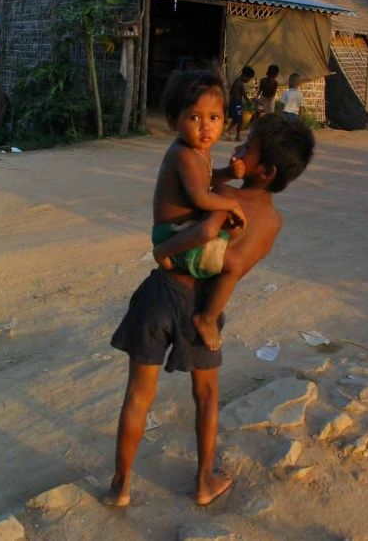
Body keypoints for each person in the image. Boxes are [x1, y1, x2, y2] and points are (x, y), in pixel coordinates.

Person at [102, 114, 315, 508]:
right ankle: (204, 481)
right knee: (207, 395)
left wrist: (165, 251)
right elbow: (236, 266)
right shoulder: (270, 221)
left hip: (162, 290)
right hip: (202, 307)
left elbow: (198, 225)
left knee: (137, 395)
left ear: (265, 171)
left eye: (246, 147)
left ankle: (120, 486)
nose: (237, 148)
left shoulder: (226, 197)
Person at [152, 69, 247, 351]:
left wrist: (227, 173)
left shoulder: (197, 150)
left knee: (229, 232)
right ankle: (206, 318)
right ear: (173, 121)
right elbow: (201, 198)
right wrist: (231, 202)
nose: (206, 127)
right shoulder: (183, 154)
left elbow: (204, 181)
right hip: (173, 234)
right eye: (195, 117)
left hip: (183, 230)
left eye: (214, 118)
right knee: (234, 265)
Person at [225, 65, 255, 142]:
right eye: (249, 78)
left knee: (236, 119)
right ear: (245, 75)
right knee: (240, 120)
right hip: (236, 103)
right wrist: (249, 102)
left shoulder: (236, 81)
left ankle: (228, 131)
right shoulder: (240, 84)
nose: (248, 80)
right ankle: (237, 136)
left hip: (234, 102)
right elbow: (244, 95)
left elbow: (231, 93)